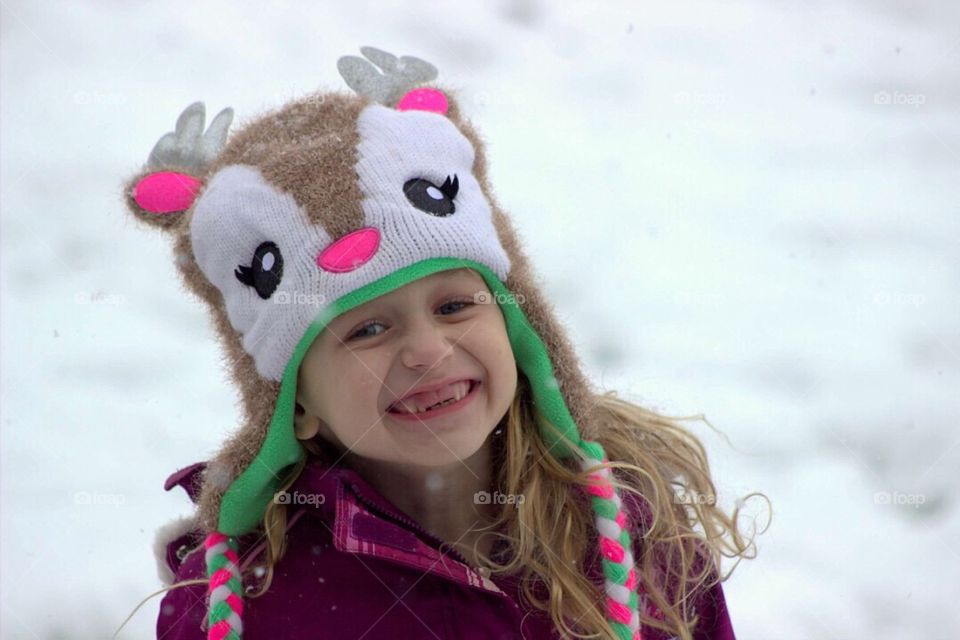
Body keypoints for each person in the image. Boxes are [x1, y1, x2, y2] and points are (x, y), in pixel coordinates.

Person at [122, 46, 759, 640]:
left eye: (455, 306)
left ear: (518, 328)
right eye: (367, 329)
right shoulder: (255, 604)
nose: (426, 350)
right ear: (294, 402)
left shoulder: (636, 539)